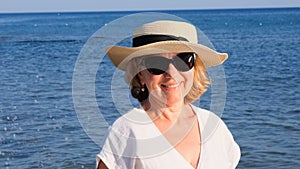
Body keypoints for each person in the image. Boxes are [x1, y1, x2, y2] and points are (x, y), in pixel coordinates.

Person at [96, 20, 240, 169]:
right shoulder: (126, 131)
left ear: (195, 68)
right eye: (157, 63)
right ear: (140, 74)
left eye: (183, 61)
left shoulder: (214, 126)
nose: (172, 74)